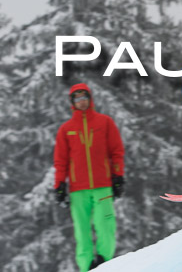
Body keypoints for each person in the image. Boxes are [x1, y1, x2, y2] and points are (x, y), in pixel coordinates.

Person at [54, 84, 125, 272]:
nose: (81, 101)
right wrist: (60, 184)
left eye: (84, 97)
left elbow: (116, 151)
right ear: (72, 103)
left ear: (90, 98)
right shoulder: (66, 129)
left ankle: (105, 262)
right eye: (77, 99)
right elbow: (61, 161)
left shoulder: (105, 122)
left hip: (103, 186)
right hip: (78, 190)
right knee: (82, 232)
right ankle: (87, 268)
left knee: (106, 225)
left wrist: (118, 176)